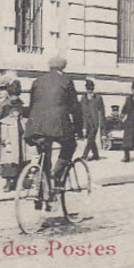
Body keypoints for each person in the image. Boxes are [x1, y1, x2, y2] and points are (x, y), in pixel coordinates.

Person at [24, 55, 82, 184]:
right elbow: (75, 108)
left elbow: (32, 106)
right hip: (58, 125)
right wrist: (79, 129)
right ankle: (57, 173)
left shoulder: (37, 81)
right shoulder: (66, 81)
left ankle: (43, 188)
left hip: (36, 127)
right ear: (63, 68)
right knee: (70, 145)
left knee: (44, 152)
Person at [0, 83, 25, 191]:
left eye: (16, 95)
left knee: (21, 159)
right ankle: (8, 182)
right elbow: (2, 123)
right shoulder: (6, 107)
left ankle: (19, 180)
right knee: (9, 160)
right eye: (12, 95)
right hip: (10, 136)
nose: (14, 97)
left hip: (20, 135)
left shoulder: (22, 107)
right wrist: (5, 140)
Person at [80, 78, 105, 161]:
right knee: (91, 139)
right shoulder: (83, 98)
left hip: (94, 122)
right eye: (88, 89)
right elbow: (81, 111)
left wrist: (101, 123)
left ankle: (84, 155)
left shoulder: (98, 98)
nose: (89, 91)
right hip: (86, 122)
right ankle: (96, 155)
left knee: (90, 138)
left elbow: (102, 111)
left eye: (91, 89)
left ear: (93, 89)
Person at [120, 81, 134, 162]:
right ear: (132, 90)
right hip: (130, 122)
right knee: (127, 141)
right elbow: (124, 108)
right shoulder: (128, 99)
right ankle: (126, 157)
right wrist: (122, 115)